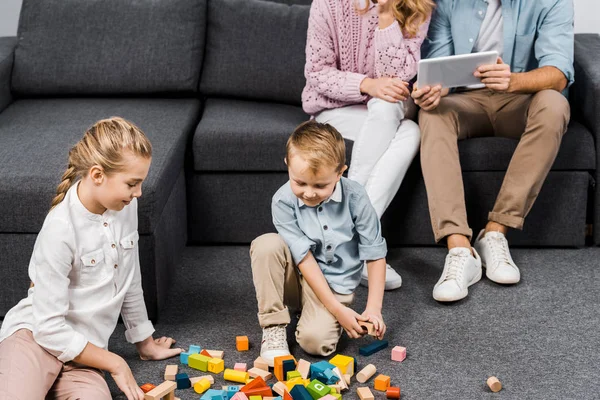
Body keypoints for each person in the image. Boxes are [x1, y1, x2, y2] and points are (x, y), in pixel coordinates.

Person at [0, 118, 182, 400]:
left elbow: (129, 279)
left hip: (86, 355)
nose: (139, 193)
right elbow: (48, 329)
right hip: (35, 340)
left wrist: (144, 341)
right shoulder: (60, 229)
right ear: (97, 175)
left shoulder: (126, 206)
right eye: (132, 183)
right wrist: (116, 363)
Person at [411, 0, 573, 302]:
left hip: (520, 99)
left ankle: (495, 232)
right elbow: (439, 64)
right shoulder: (449, 4)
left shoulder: (553, 2)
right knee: (431, 114)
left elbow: (559, 72)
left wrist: (514, 81)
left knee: (555, 104)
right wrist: (435, 89)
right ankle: (459, 248)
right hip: (466, 102)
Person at [302, 0, 434, 290]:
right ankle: (363, 246)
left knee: (410, 130)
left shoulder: (416, 7)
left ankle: (346, 238)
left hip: (386, 110)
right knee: (392, 115)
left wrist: (386, 14)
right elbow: (317, 73)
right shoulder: (328, 4)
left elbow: (399, 76)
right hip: (335, 109)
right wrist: (367, 84)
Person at [250, 121, 388, 366]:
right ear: (288, 166)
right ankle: (273, 326)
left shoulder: (356, 197)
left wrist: (373, 309)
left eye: (320, 185)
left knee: (317, 345)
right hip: (297, 275)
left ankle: (311, 313)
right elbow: (303, 258)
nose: (309, 193)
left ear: (340, 172)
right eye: (300, 183)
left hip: (336, 284)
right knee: (266, 245)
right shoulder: (282, 201)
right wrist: (337, 311)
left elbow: (374, 253)